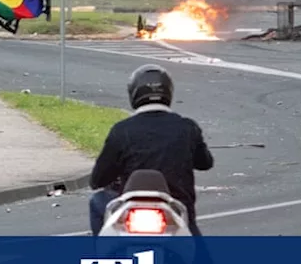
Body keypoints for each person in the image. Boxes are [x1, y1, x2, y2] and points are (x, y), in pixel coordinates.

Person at [88, 64, 214, 236]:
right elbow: (205, 163)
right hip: (176, 207)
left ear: (134, 93)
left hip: (131, 210)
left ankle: (104, 256)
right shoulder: (187, 127)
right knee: (199, 255)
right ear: (168, 92)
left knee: (98, 201)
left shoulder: (122, 130)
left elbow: (98, 179)